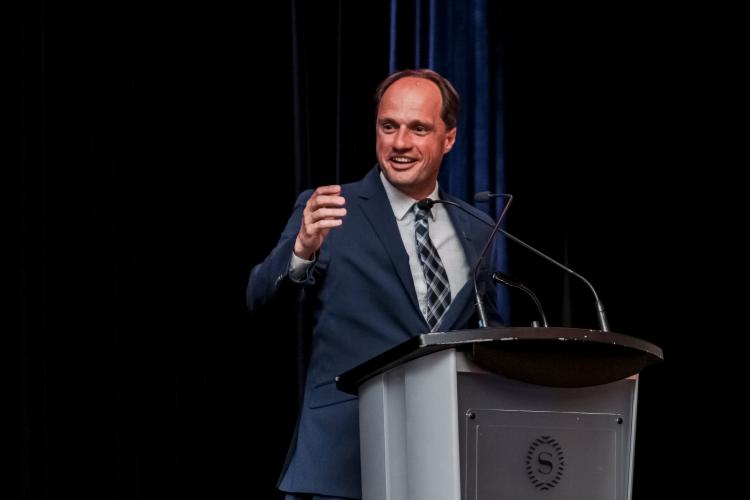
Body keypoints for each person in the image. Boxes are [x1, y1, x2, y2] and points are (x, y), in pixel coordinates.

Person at [247, 68, 501, 499]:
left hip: (449, 459)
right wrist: (302, 250)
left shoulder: (477, 226)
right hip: (343, 460)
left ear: (449, 139)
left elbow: (483, 330)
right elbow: (260, 301)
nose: (400, 143)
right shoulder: (329, 210)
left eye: (418, 128)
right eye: (389, 126)